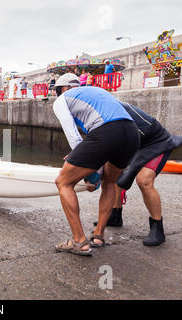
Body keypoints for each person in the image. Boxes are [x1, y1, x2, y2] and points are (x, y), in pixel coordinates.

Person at [52, 73, 140, 256]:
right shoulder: (96, 91)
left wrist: (91, 175)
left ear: (63, 89)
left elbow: (73, 136)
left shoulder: (62, 100)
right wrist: (93, 167)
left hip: (108, 131)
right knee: (110, 182)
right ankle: (99, 235)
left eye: (58, 91)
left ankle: (78, 241)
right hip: (132, 133)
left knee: (63, 182)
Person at [93, 101, 182, 246]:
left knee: (144, 181)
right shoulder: (98, 115)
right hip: (134, 144)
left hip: (156, 142)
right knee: (112, 175)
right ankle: (115, 215)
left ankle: (157, 227)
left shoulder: (115, 109)